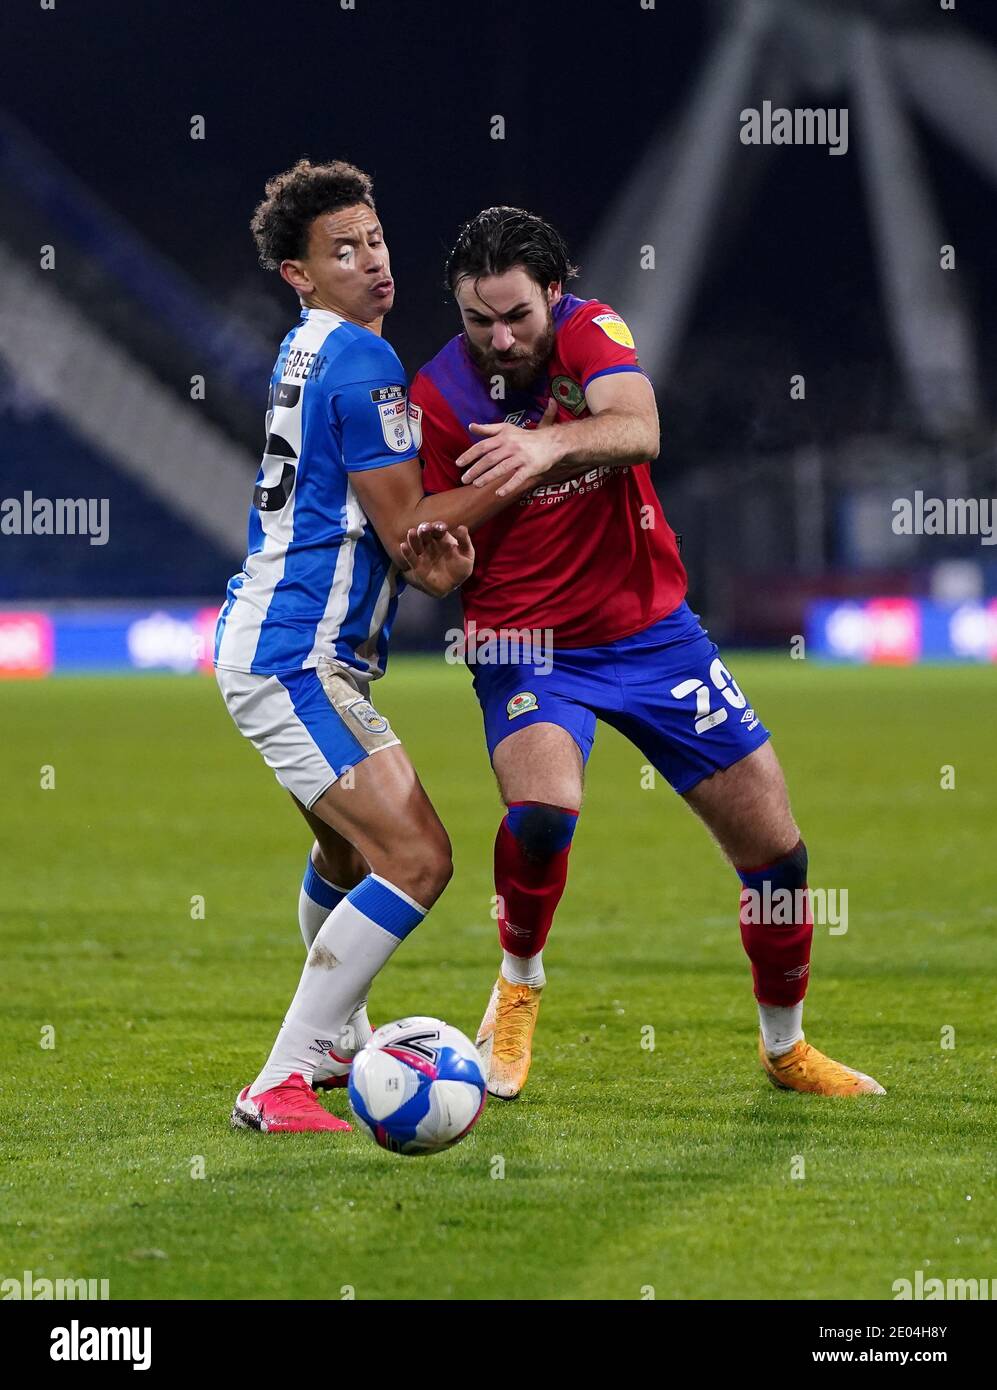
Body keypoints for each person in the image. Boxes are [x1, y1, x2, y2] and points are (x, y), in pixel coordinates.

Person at [409, 206, 884, 1101]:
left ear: (554, 293)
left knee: (778, 859)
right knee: (543, 814)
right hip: (524, 641)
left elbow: (637, 427)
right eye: (478, 320)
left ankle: (784, 1048)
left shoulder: (592, 330)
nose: (500, 339)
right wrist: (440, 571)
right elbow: (429, 545)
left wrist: (544, 442)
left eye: (516, 315)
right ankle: (516, 986)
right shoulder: (436, 396)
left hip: (654, 633)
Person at [215, 162, 523, 1133]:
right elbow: (412, 524)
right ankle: (282, 1078)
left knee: (346, 852)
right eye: (341, 252)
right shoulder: (360, 361)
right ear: (297, 274)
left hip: (274, 642)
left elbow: (400, 540)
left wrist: (427, 562)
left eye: (376, 240)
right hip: (292, 657)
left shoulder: (307, 349)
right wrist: (526, 461)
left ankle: (343, 1038)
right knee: (420, 856)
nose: (372, 263)